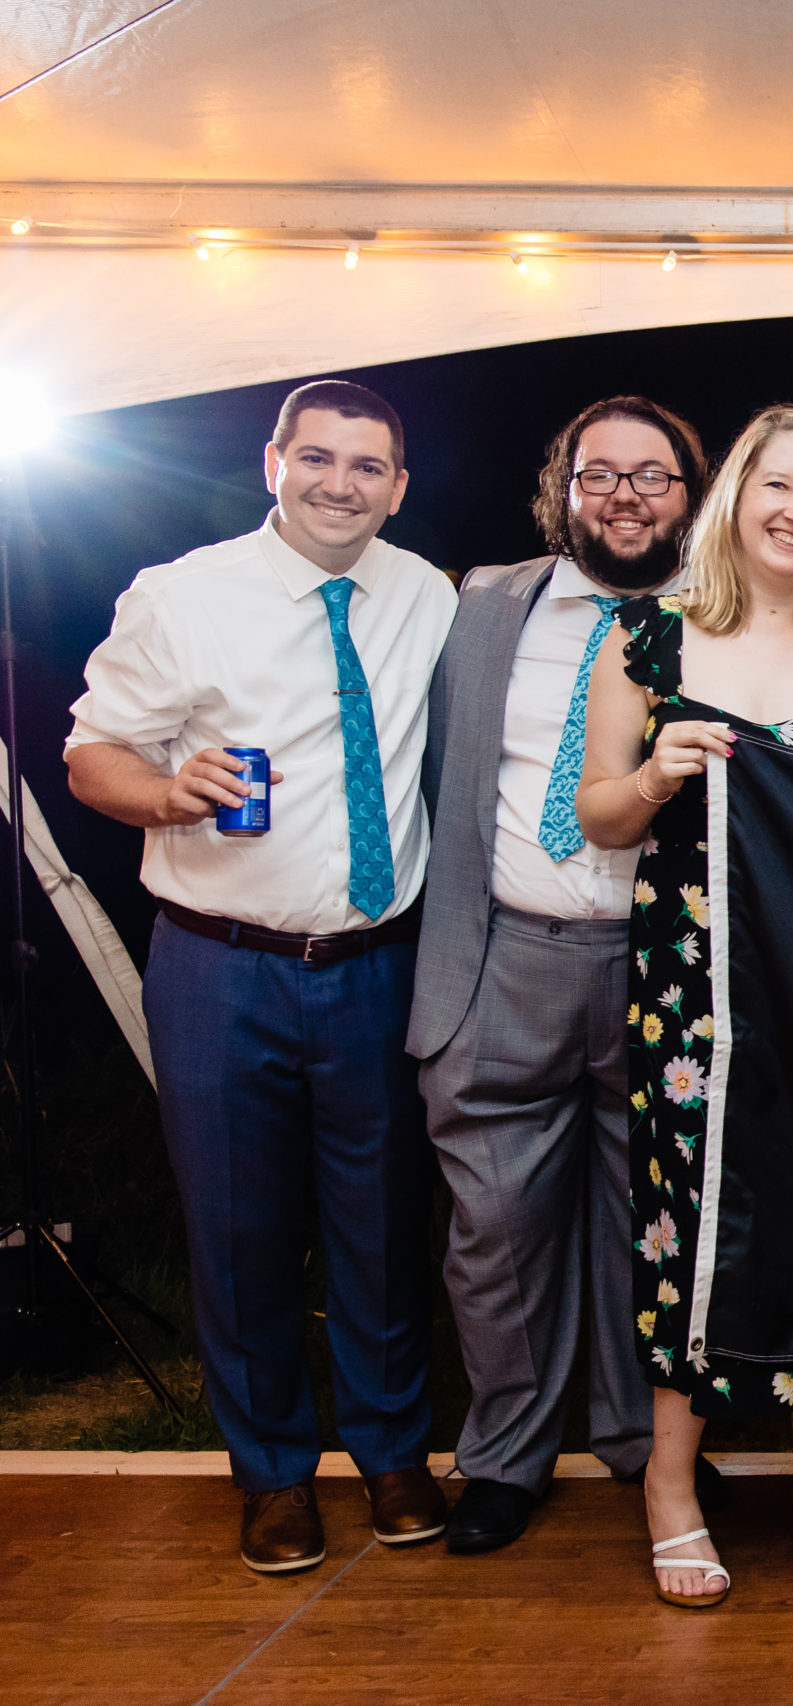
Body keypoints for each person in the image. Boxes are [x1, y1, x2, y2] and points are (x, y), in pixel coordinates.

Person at [64, 380, 456, 1574]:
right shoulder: (183, 594)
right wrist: (164, 790)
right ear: (273, 462)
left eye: (368, 465)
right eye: (317, 457)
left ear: (399, 485)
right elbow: (90, 754)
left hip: (377, 966)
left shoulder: (427, 595)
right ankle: (274, 1471)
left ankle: (393, 1452)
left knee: (384, 1230)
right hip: (219, 966)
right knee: (238, 1232)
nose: (342, 483)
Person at [575, 404, 793, 1609]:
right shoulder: (647, 638)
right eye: (779, 485)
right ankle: (673, 1485)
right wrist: (652, 775)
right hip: (687, 987)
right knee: (684, 1219)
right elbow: (596, 813)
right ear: (736, 494)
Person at [407, 395, 708, 1555]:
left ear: (690, 494)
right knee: (495, 1227)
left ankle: (644, 1445)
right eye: (600, 474)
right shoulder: (485, 603)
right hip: (506, 952)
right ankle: (504, 1458)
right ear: (564, 490)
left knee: (654, 1219)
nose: (625, 495)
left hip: (664, 964)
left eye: (652, 475)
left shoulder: (722, 616)